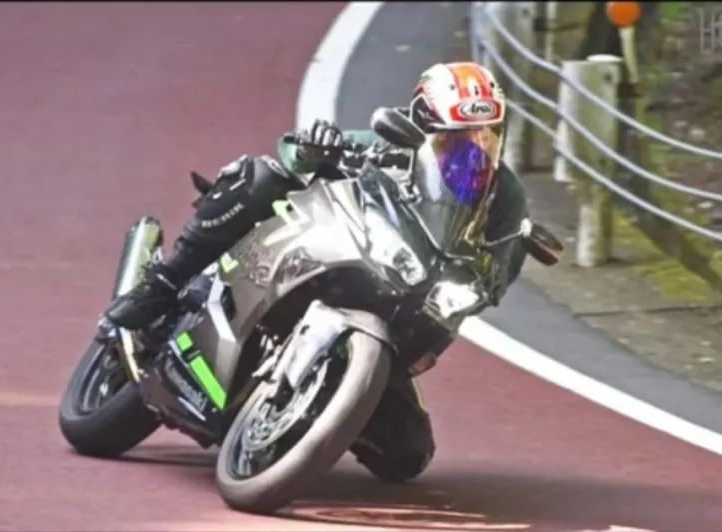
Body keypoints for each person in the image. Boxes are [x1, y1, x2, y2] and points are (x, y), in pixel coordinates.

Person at [97, 61, 529, 482]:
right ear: (424, 125)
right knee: (261, 177)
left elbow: (500, 272)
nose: (474, 148)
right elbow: (293, 153)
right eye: (456, 138)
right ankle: (162, 283)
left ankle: (325, 413)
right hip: (349, 261)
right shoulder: (397, 143)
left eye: (486, 136)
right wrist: (313, 147)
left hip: (407, 313)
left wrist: (482, 283)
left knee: (407, 457)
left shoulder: (505, 195)